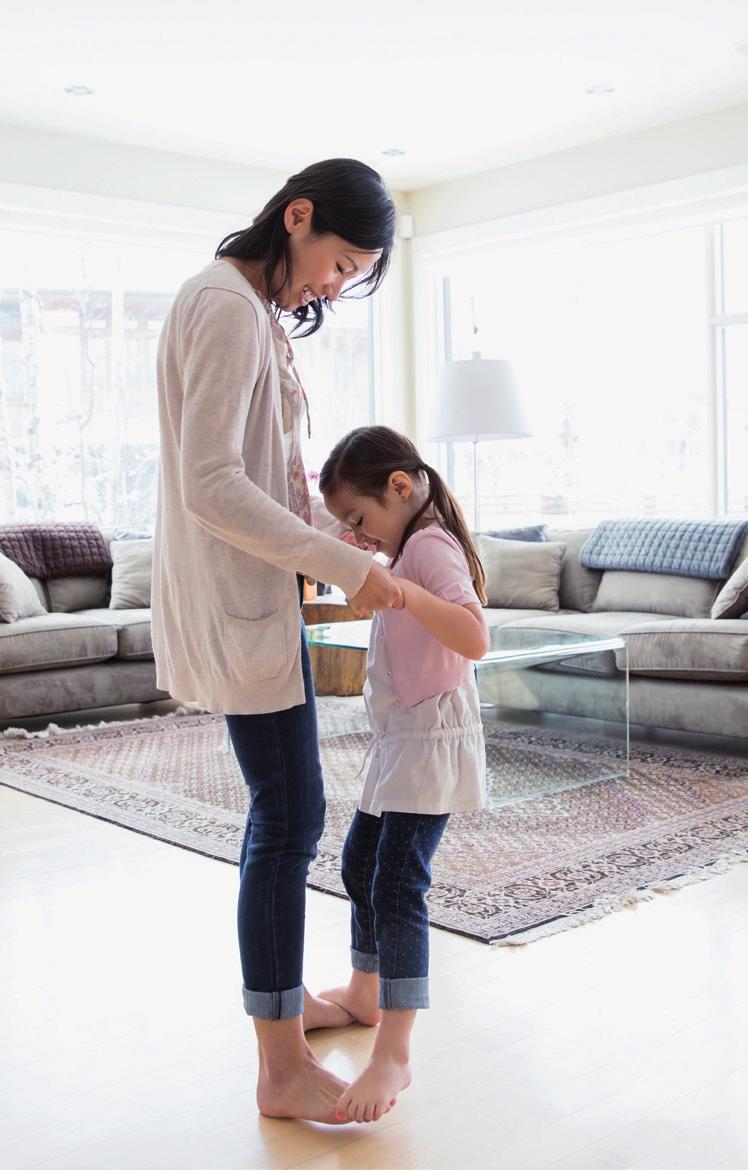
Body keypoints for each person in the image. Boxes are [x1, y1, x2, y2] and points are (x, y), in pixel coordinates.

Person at [151, 160, 405, 1125]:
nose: (334, 286)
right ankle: (280, 1067)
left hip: (263, 599)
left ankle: (284, 1020)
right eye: (338, 262)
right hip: (237, 603)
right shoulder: (221, 305)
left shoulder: (247, 310)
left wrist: (335, 539)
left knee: (288, 811)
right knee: (289, 817)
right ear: (296, 217)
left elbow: (265, 472)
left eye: (352, 275)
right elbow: (210, 483)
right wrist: (338, 566)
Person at [316, 425, 490, 1124]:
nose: (359, 537)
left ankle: (394, 1048)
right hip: (400, 735)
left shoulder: (428, 545)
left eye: (359, 521)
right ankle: (363, 990)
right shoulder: (407, 547)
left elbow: (474, 635)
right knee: (360, 863)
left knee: (396, 882)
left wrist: (402, 594)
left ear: (399, 486)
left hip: (430, 738)